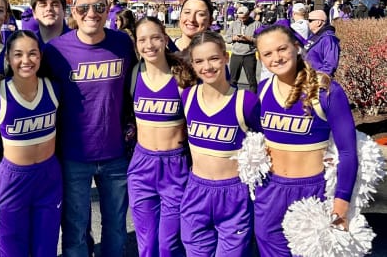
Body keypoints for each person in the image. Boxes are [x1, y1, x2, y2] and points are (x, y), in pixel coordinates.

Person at [42, 0, 137, 256]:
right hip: (73, 155)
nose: (91, 13)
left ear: (108, 10)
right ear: (74, 11)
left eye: (99, 7)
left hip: (115, 154)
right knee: (75, 230)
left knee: (116, 228)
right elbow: (28, 80)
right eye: (84, 7)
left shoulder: (121, 43)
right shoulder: (56, 51)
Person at [254, 25, 358, 256]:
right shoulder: (262, 90)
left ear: (297, 47)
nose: (276, 58)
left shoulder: (326, 91)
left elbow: (349, 151)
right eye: (267, 54)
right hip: (270, 193)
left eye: (282, 48)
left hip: (313, 192)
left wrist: (342, 201)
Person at [181, 31, 261, 256]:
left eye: (214, 58)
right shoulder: (188, 97)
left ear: (226, 57)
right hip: (196, 191)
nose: (207, 66)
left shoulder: (245, 101)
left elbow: (269, 144)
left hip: (234, 195)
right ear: (193, 65)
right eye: (199, 61)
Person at [0, 30, 62, 256]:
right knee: (10, 250)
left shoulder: (54, 89)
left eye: (32, 53)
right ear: (7, 58)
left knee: (45, 248)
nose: (26, 60)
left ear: (41, 56)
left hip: (49, 177)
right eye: (18, 54)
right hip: (12, 179)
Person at [128, 16, 196, 256]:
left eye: (155, 38)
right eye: (142, 39)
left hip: (175, 166)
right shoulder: (135, 74)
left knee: (169, 244)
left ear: (166, 39)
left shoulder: (182, 76)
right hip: (142, 166)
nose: (149, 45)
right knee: (146, 244)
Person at [224, 5, 260, 93]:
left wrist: (250, 39)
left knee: (252, 80)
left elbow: (261, 40)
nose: (242, 20)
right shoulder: (234, 24)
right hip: (236, 55)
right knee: (233, 80)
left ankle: (253, 99)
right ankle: (232, 98)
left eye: (244, 18)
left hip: (249, 55)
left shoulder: (256, 24)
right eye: (240, 18)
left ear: (248, 15)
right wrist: (234, 38)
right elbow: (227, 38)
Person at [304, 10, 340, 76]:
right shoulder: (314, 36)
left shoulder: (329, 39)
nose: (307, 23)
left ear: (318, 22)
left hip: (316, 82)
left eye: (310, 20)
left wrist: (317, 80)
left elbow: (330, 65)